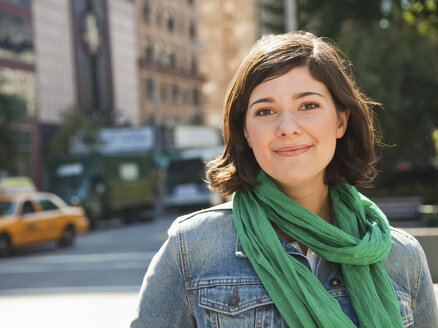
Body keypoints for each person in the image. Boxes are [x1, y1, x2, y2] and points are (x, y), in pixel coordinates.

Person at [130, 31, 438, 327]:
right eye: (265, 111)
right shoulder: (193, 247)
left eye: (308, 105)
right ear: (246, 131)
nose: (288, 127)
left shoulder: (400, 256)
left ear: (341, 121)